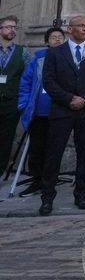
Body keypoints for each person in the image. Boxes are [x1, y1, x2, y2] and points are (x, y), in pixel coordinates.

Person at [39, 15, 85, 215]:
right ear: (70, 29)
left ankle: (81, 195)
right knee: (54, 155)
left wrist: (84, 100)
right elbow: (48, 81)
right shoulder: (55, 53)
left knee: (84, 154)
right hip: (62, 110)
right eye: (81, 25)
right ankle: (47, 198)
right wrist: (69, 99)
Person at [16, 26, 63, 196]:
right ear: (46, 42)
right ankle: (37, 180)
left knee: (54, 149)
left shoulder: (69, 59)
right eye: (53, 37)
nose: (57, 40)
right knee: (37, 148)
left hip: (59, 112)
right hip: (39, 111)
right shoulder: (38, 60)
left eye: (60, 37)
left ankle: (50, 180)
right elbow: (26, 83)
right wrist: (23, 105)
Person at [0, 15, 31, 175]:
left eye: (14, 27)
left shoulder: (22, 52)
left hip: (11, 101)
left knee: (6, 138)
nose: (12, 30)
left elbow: (27, 76)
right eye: (8, 27)